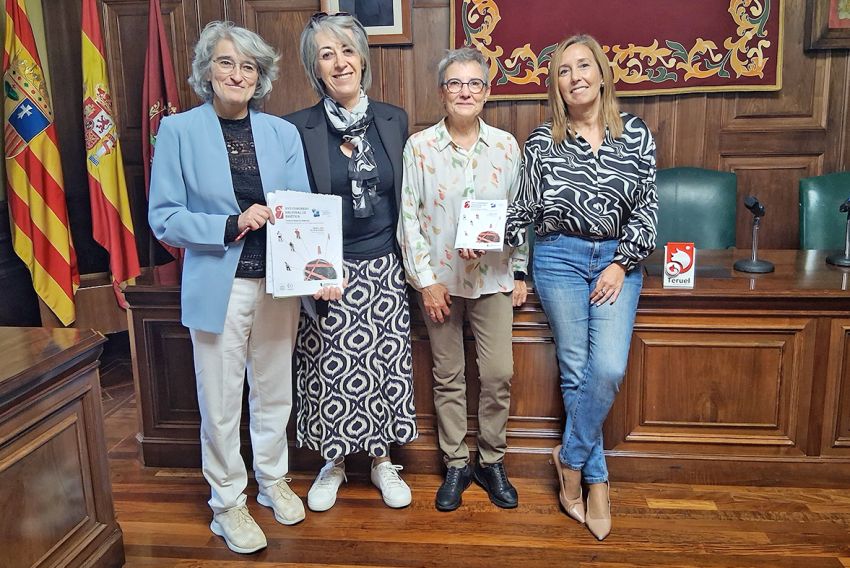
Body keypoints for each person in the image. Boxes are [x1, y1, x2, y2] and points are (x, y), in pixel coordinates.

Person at [148, 21, 323, 555]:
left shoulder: (281, 134)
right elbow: (165, 218)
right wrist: (230, 223)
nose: (238, 74)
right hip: (217, 287)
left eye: (249, 66)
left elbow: (304, 212)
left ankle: (272, 481)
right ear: (207, 70)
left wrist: (319, 271)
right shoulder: (178, 131)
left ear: (261, 77)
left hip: (278, 284)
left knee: (273, 393)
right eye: (226, 63)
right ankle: (227, 503)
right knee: (221, 402)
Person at [505, 34, 657, 540]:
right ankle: (597, 483)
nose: (575, 77)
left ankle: (568, 459)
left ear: (601, 72)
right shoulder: (542, 142)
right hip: (558, 260)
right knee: (575, 371)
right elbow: (523, 211)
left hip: (617, 260)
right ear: (556, 84)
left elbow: (648, 213)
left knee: (607, 366)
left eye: (583, 66)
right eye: (564, 71)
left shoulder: (635, 134)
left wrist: (622, 263)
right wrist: (479, 235)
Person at [285, 12, 416, 512]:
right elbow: (294, 204)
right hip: (328, 270)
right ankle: (333, 463)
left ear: (362, 58)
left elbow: (406, 197)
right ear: (315, 68)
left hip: (384, 264)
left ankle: (383, 461)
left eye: (346, 51)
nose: (339, 62)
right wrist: (316, 271)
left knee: (382, 365)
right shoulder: (299, 127)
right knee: (329, 367)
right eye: (326, 54)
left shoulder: (393, 119)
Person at [398, 47, 528, 512]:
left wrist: (518, 268)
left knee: (498, 374)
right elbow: (408, 220)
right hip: (441, 284)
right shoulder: (419, 147)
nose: (465, 91)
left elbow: (521, 214)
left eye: (475, 83)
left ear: (488, 92)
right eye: (455, 83)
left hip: (493, 278)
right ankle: (455, 462)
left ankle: (491, 460)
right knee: (448, 375)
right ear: (441, 92)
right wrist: (425, 281)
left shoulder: (507, 147)